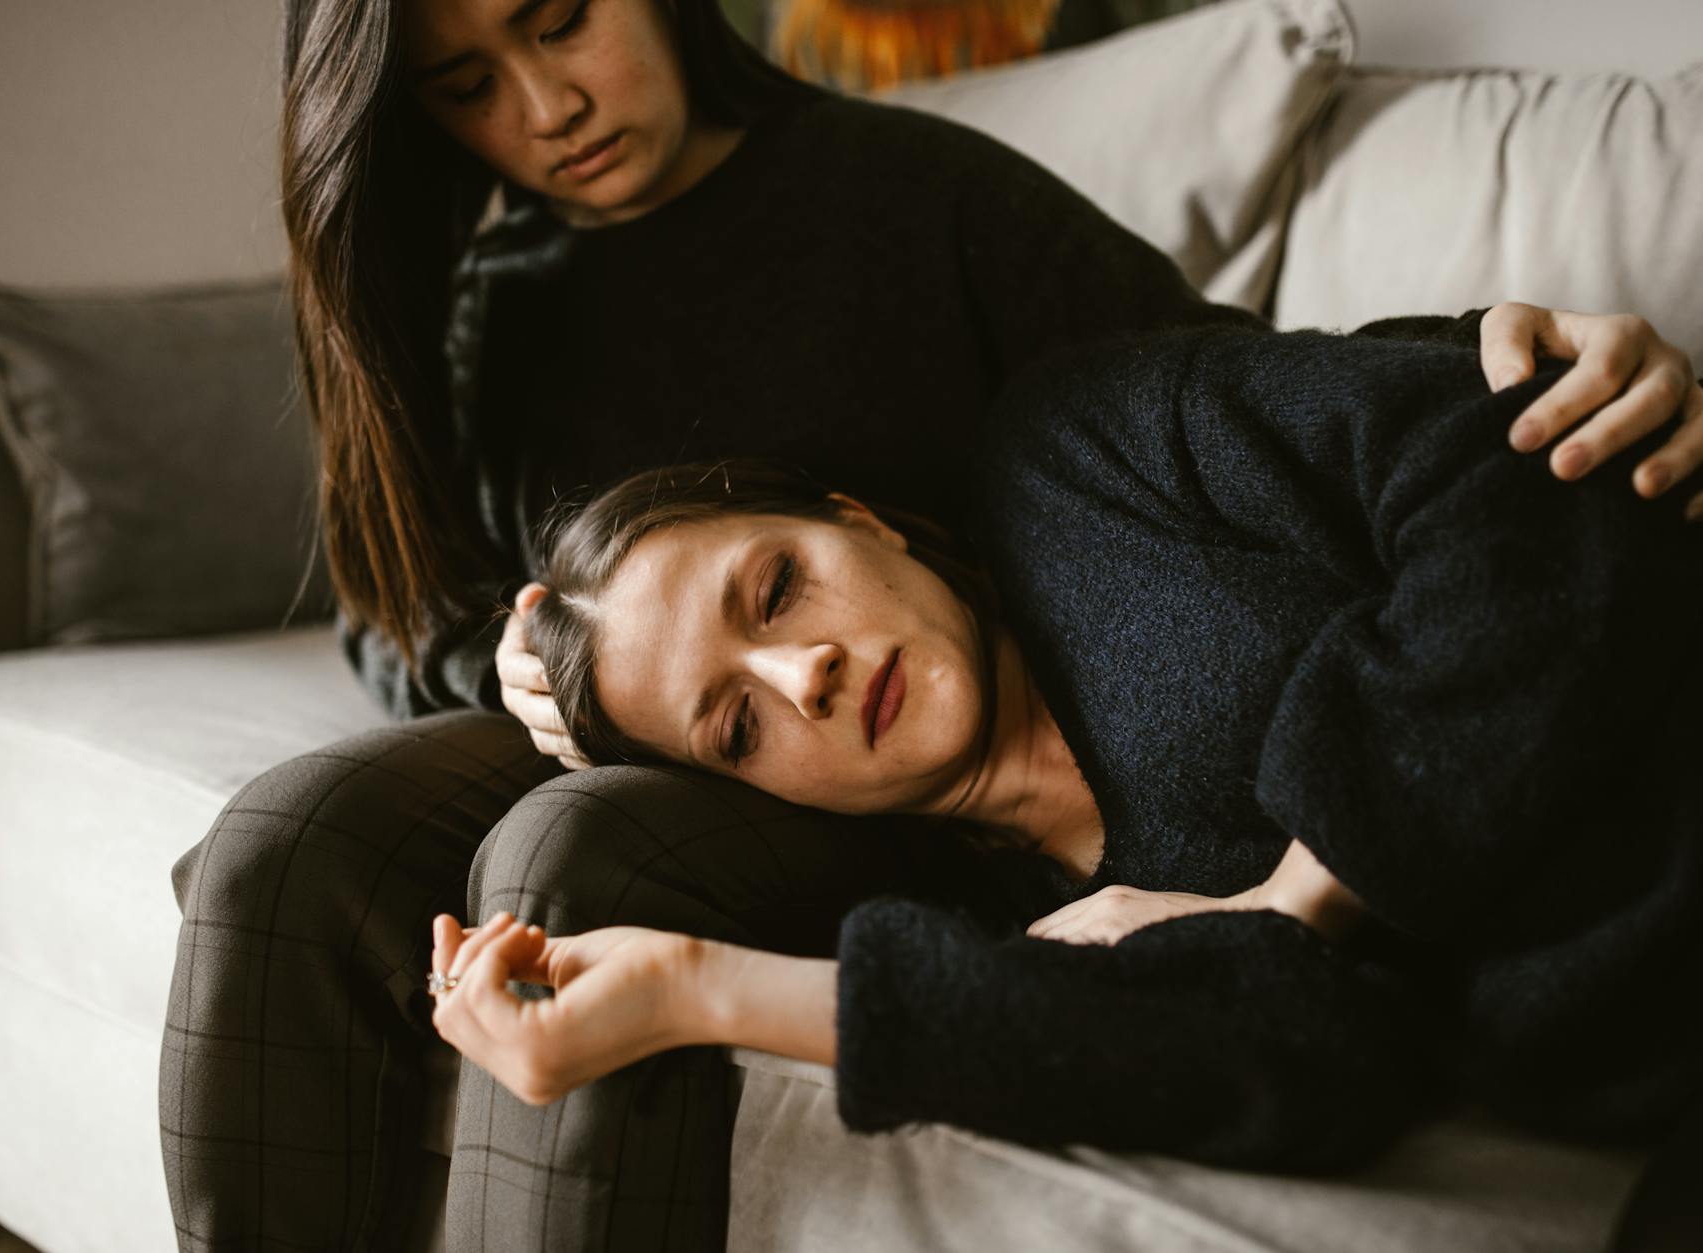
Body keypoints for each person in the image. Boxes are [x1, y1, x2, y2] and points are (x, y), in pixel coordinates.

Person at [158, 0, 1703, 1247]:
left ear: (861, 516)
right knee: (284, 841)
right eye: (466, 86)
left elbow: (1285, 412)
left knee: (571, 867)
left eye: (560, 23)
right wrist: (506, 666)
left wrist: (1491, 361)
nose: (544, 106)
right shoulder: (492, 310)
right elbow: (403, 606)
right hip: (884, 799)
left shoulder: (949, 262)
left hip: (1018, 729)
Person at [426, 321, 1702, 1199]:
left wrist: (1299, 893)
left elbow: (1516, 464)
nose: (796, 672)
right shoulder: (1008, 923)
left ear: (856, 521)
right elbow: (1316, 1067)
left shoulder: (1074, 458)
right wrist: (689, 988)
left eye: (775, 588)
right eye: (736, 727)